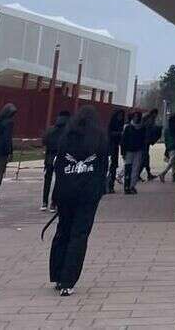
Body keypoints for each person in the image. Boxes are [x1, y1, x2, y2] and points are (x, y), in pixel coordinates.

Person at [47, 105, 108, 296]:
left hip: (66, 192)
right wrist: (99, 190)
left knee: (63, 231)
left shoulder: (66, 138)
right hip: (87, 195)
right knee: (79, 235)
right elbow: (102, 168)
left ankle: (57, 276)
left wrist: (56, 193)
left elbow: (59, 166)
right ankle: (68, 281)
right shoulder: (99, 139)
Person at [41, 109, 70, 211]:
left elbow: (44, 140)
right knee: (59, 180)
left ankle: (44, 202)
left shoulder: (51, 129)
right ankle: (54, 203)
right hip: (61, 157)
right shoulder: (68, 131)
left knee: (47, 179)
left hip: (49, 156)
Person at [120, 111, 144, 194]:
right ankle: (127, 186)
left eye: (137, 116)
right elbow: (123, 141)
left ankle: (132, 186)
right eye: (135, 116)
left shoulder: (142, 128)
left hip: (138, 151)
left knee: (135, 169)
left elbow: (143, 140)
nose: (136, 118)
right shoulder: (128, 128)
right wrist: (123, 152)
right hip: (129, 151)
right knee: (128, 169)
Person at [159, 111, 175, 182]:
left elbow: (166, 139)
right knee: (173, 161)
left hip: (169, 146)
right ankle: (164, 173)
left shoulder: (167, 129)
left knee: (174, 161)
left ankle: (174, 175)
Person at [105, 109, 124, 193]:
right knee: (110, 167)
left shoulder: (121, 124)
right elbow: (109, 133)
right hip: (110, 147)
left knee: (113, 167)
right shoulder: (112, 125)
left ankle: (110, 185)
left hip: (115, 147)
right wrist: (119, 133)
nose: (120, 117)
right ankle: (107, 185)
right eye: (119, 116)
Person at [139, 109, 161, 182]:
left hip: (144, 141)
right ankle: (138, 174)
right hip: (145, 141)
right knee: (145, 158)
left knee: (146, 158)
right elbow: (149, 130)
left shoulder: (146, 119)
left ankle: (148, 174)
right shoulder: (150, 120)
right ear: (154, 113)